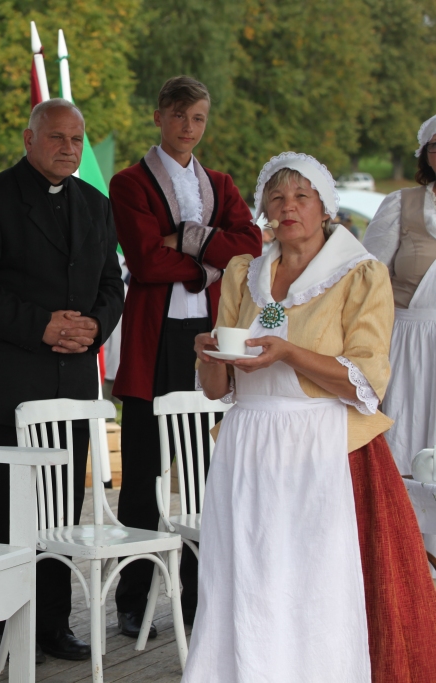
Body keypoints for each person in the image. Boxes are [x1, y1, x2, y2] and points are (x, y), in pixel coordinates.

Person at [185, 152, 436, 682]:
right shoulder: (243, 273)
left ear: (325, 208)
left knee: (314, 579)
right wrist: (206, 355)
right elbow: (217, 390)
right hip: (247, 442)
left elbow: (367, 381)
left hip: (322, 445)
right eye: (277, 197)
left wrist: (290, 353)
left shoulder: (359, 274)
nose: (288, 206)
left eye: (302, 196)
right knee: (244, 572)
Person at [0, 98, 125, 661]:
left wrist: (94, 326)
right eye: (56, 137)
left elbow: (112, 284)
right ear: (29, 140)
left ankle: (52, 624)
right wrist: (41, 326)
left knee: (62, 511)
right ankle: (12, 629)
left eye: (76, 139)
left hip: (72, 383)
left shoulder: (95, 203)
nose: (68, 148)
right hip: (13, 382)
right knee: (12, 513)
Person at [109, 76, 262, 635]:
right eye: (178, 116)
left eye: (197, 118)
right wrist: (208, 259)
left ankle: (199, 598)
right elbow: (146, 262)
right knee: (143, 475)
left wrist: (186, 238)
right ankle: (133, 598)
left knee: (202, 477)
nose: (188, 127)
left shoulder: (219, 183)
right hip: (154, 342)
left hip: (209, 339)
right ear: (158, 117)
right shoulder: (129, 183)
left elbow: (251, 246)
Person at [362, 114, 436, 474]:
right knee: (405, 450)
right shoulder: (401, 204)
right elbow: (368, 279)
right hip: (408, 344)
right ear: (425, 154)